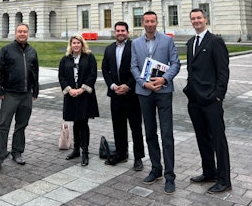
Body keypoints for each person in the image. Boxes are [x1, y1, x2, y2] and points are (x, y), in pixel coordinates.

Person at [131, 11, 181, 194]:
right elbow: (134, 66)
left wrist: (164, 80)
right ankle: (156, 169)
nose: (150, 24)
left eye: (153, 21)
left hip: (163, 91)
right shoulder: (136, 43)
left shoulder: (167, 41)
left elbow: (175, 64)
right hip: (144, 92)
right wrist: (144, 83)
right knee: (150, 132)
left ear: (156, 22)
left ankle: (170, 176)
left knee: (167, 134)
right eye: (147, 21)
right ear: (142, 23)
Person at [184, 8, 231, 194]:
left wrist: (218, 95)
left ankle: (224, 179)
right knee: (202, 138)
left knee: (218, 140)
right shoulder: (190, 43)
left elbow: (223, 71)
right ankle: (209, 172)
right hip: (195, 100)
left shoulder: (215, 41)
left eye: (199, 18)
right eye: (193, 18)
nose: (196, 21)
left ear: (206, 19)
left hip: (211, 100)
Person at [0, 23, 39, 174]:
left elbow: (35, 72)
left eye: (25, 31)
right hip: (10, 94)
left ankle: (17, 152)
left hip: (26, 95)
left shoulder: (32, 51)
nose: (22, 34)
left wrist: (35, 91)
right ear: (15, 33)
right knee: (3, 126)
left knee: (21, 125)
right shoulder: (6, 49)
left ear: (28, 33)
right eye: (20, 31)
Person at [101, 22, 145, 171]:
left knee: (135, 127)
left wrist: (128, 85)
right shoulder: (109, 49)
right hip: (115, 94)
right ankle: (121, 153)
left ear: (127, 32)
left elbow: (139, 68)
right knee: (118, 126)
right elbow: (105, 69)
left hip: (132, 95)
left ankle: (138, 158)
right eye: (118, 30)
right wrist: (112, 86)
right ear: (115, 32)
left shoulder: (134, 47)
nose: (120, 33)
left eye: (123, 30)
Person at [58, 34, 99, 166]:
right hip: (71, 95)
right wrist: (69, 90)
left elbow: (93, 74)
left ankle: (85, 151)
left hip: (84, 95)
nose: (76, 45)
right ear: (70, 45)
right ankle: (76, 149)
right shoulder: (65, 59)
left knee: (83, 122)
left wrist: (82, 89)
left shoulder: (89, 57)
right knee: (75, 122)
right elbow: (61, 76)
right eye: (73, 43)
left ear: (82, 44)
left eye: (78, 43)